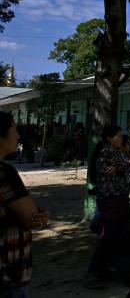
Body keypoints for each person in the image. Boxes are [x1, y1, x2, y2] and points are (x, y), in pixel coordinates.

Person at [0, 112, 49, 297]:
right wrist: (38, 215)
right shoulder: (4, 172)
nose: (18, 135)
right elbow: (31, 218)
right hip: (7, 272)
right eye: (14, 130)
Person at [85, 125, 130, 288]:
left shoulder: (113, 152)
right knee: (108, 236)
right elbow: (124, 168)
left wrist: (121, 169)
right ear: (109, 138)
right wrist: (121, 169)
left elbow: (127, 167)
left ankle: (107, 268)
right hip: (111, 199)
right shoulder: (107, 153)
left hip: (117, 198)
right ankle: (94, 272)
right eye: (118, 136)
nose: (121, 139)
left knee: (116, 235)